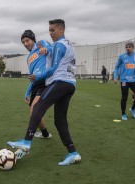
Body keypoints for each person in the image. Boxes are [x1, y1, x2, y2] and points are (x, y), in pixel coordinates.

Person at [7, 19, 81, 166]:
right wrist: (46, 50)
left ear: (61, 30)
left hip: (60, 82)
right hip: (70, 85)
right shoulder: (67, 45)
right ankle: (73, 153)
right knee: (59, 120)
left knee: (38, 107)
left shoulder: (59, 45)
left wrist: (38, 77)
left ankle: (26, 142)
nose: (50, 33)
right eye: (49, 30)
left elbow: (52, 69)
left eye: (53, 30)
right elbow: (49, 50)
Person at [14, 30, 53, 159]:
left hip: (44, 81)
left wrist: (44, 48)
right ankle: (46, 134)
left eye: (27, 40)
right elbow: (32, 77)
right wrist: (27, 92)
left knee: (34, 110)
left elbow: (49, 47)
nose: (25, 43)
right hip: (35, 84)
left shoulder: (40, 44)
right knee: (34, 112)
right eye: (23, 42)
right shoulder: (28, 57)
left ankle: (26, 143)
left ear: (33, 40)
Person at [113, 41, 135, 120]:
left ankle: (133, 109)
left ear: (133, 47)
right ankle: (123, 114)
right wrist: (115, 76)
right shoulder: (122, 56)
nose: (128, 48)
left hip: (134, 80)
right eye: (126, 47)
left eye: (129, 47)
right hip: (124, 80)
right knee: (124, 97)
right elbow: (116, 67)